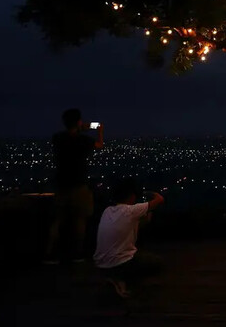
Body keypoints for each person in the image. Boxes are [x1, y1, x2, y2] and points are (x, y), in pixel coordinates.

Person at [43, 108, 103, 263]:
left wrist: (78, 128)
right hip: (79, 184)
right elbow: (99, 144)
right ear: (78, 122)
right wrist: (98, 129)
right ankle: (77, 253)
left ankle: (50, 253)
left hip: (62, 184)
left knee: (57, 220)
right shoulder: (84, 141)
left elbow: (67, 136)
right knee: (79, 220)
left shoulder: (57, 138)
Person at [94, 178, 165, 298]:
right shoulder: (131, 211)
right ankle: (123, 282)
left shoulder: (107, 211)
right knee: (156, 263)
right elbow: (159, 199)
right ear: (131, 196)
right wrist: (148, 193)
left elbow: (132, 225)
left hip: (100, 263)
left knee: (137, 255)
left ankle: (116, 277)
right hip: (119, 263)